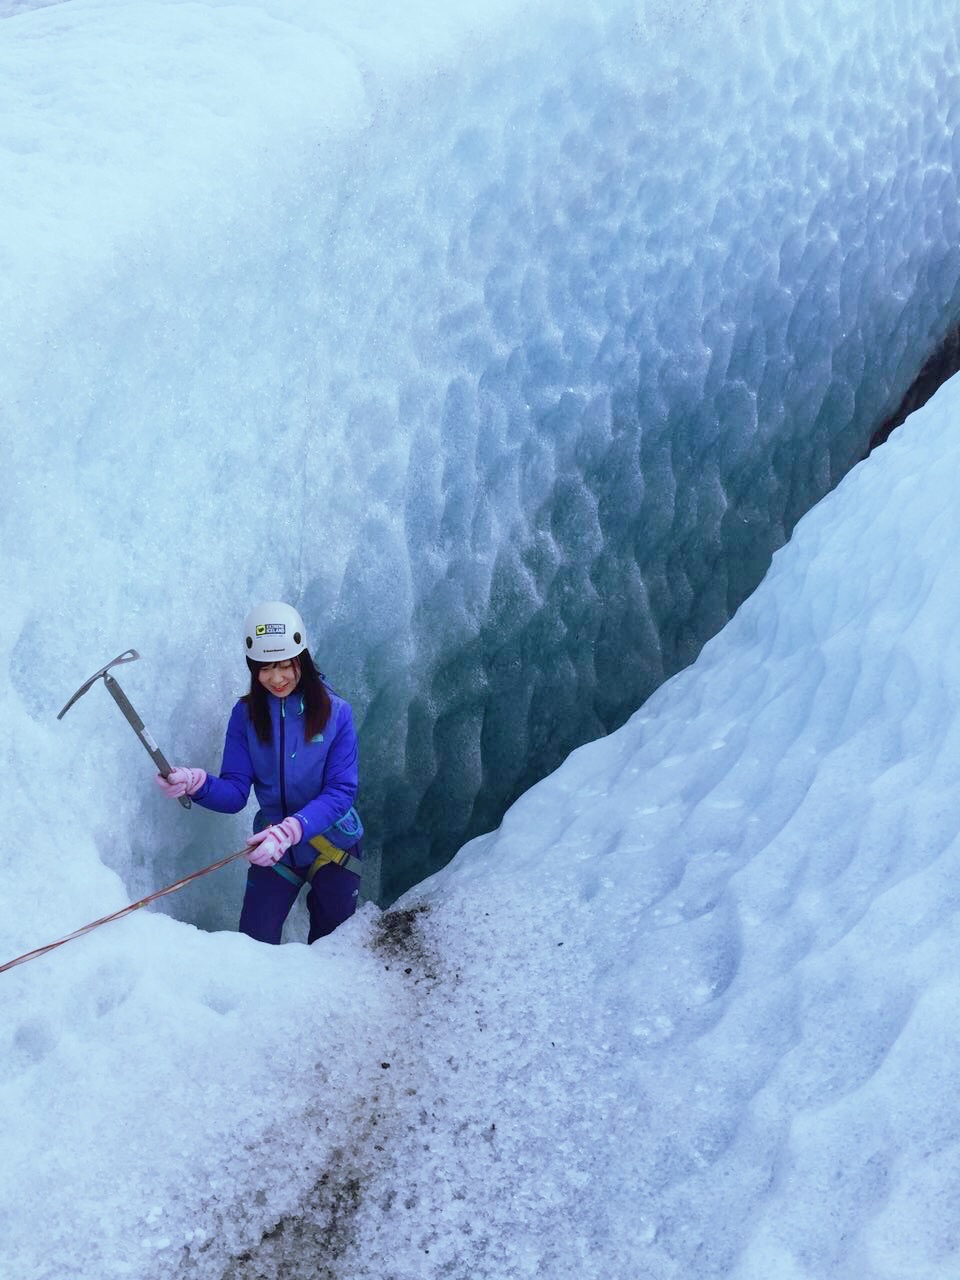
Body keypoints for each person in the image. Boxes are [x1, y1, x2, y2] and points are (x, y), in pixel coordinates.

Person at [155, 602, 364, 945]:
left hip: (333, 848)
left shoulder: (336, 713)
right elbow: (236, 793)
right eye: (265, 669)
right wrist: (196, 783)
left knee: (332, 952)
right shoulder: (246, 715)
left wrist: (291, 829)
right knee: (253, 947)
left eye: (285, 666)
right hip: (275, 850)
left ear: (302, 660)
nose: (276, 678)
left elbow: (341, 792)